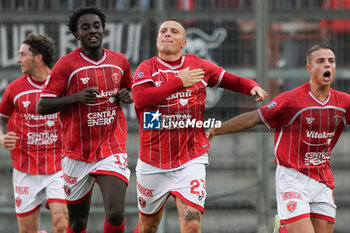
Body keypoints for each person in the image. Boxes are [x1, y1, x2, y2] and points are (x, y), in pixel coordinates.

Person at [131, 19, 268, 233]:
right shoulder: (147, 68)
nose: (167, 34)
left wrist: (252, 86)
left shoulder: (198, 66)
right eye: (163, 31)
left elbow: (231, 80)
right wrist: (178, 81)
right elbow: (141, 100)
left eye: (174, 31)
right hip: (153, 161)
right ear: (157, 40)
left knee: (192, 225)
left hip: (190, 159)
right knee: (147, 227)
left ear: (184, 42)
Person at [207, 44, 350, 233]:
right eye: (321, 61)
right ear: (309, 68)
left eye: (331, 61)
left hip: (323, 178)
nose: (327, 65)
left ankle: (282, 228)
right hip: (293, 177)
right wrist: (216, 130)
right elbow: (253, 118)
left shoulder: (344, 102)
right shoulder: (291, 100)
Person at [37, 7, 133, 233]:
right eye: (85, 27)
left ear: (103, 29)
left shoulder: (119, 61)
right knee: (77, 223)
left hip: (111, 147)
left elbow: (128, 89)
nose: (93, 31)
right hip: (76, 153)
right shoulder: (66, 65)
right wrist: (76, 98)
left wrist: (127, 95)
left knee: (116, 213)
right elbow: (43, 106)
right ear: (76, 34)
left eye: (97, 26)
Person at [0, 33, 68, 233]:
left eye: (23, 54)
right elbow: (2, 118)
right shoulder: (15, 89)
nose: (18, 59)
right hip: (25, 169)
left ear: (38, 57)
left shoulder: (63, 85)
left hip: (58, 166)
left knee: (62, 226)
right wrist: (3, 137)